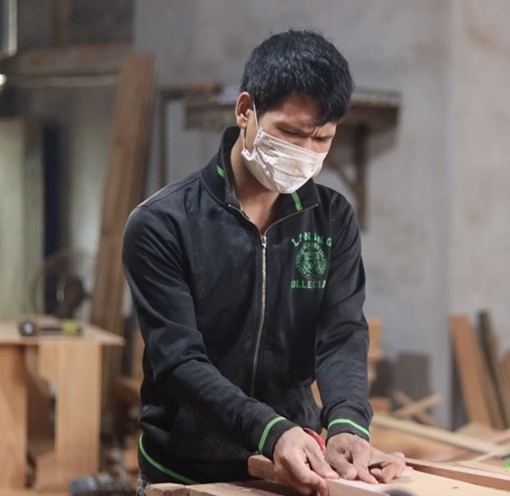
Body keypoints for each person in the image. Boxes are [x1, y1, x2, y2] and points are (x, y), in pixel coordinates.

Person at [123, 30, 404, 496]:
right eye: (291, 132)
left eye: (322, 138)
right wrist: (269, 430)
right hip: (187, 473)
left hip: (294, 469)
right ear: (245, 110)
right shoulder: (163, 224)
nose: (305, 153)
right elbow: (178, 362)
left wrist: (348, 424)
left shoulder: (331, 218)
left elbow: (340, 334)